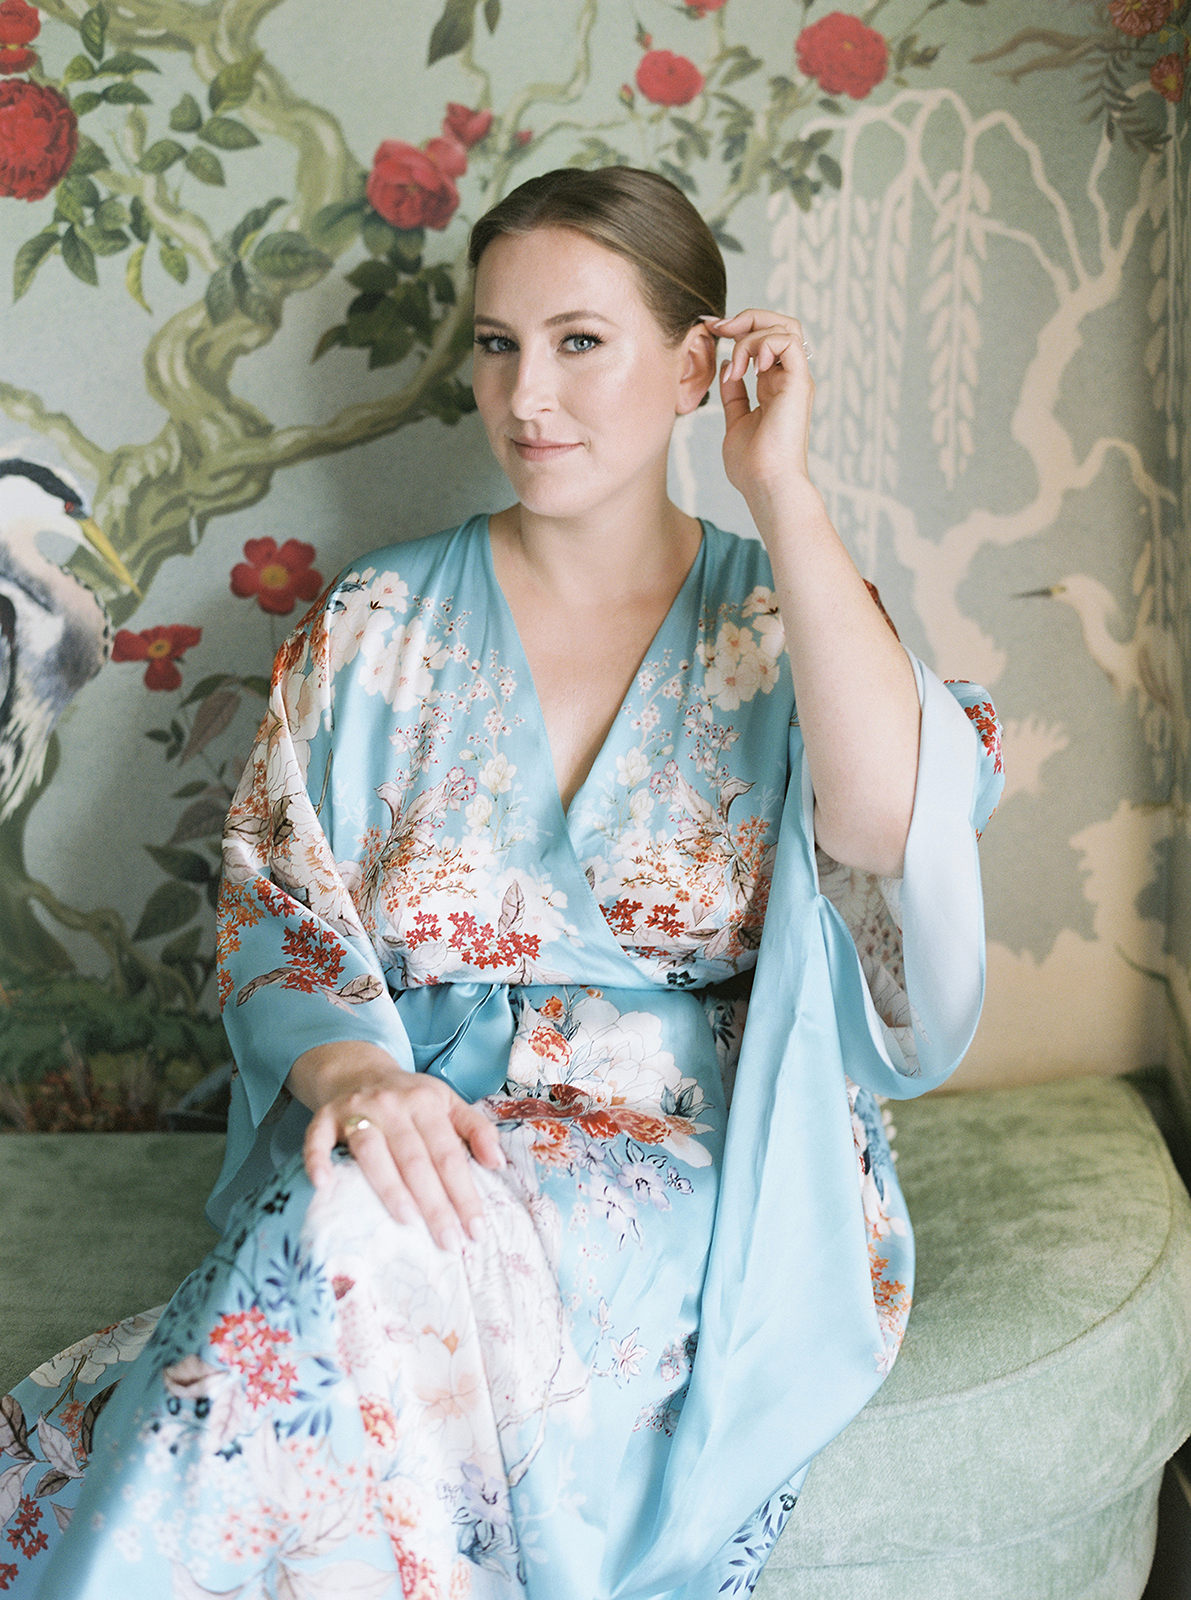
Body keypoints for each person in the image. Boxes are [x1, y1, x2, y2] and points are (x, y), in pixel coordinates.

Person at [7, 166, 1002, 1599]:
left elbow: (888, 831)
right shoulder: (379, 620)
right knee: (354, 1228)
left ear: (696, 365)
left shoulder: (789, 618)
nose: (527, 394)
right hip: (421, 1127)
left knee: (368, 1249)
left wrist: (779, 488)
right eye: (497, 342)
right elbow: (280, 908)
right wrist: (359, 1076)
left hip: (691, 1157)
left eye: (581, 341)